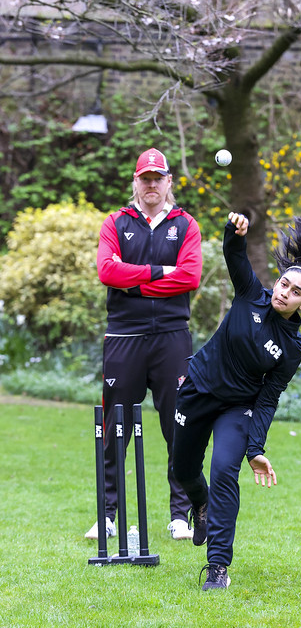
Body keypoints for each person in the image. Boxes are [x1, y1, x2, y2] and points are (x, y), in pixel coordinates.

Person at [172, 211, 301, 589]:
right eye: (284, 284)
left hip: (236, 408)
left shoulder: (291, 348)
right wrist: (235, 231)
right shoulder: (251, 295)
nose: (285, 293)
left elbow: (268, 399)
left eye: (296, 292)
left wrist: (256, 448)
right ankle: (200, 503)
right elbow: (235, 256)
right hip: (198, 389)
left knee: (224, 471)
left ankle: (217, 568)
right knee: (183, 470)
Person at [85, 148, 202, 542]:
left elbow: (189, 278)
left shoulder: (185, 225)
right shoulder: (115, 222)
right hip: (124, 337)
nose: (151, 185)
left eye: (158, 178)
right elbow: (106, 271)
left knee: (179, 425)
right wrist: (157, 272)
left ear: (169, 182)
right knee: (114, 426)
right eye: (145, 178)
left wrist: (131, 279)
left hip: (171, 337)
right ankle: (107, 516)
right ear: (135, 182)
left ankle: (180, 515)